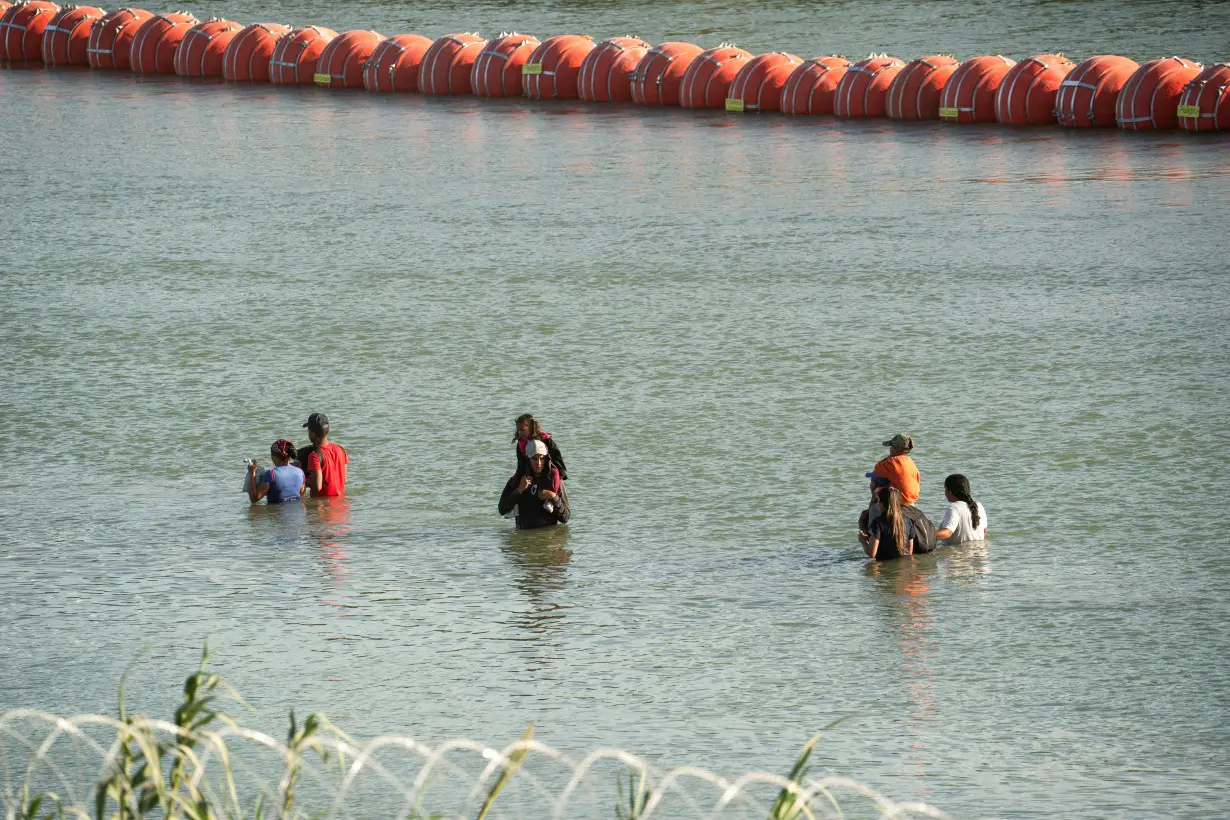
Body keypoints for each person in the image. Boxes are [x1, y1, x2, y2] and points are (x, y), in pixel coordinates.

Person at [499, 439, 570, 529]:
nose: (539, 463)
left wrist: (553, 497)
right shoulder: (518, 480)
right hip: (524, 538)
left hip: (548, 539)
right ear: (528, 460)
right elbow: (502, 509)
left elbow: (566, 517)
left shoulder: (554, 481)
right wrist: (519, 490)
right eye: (534, 458)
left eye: (542, 458)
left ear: (546, 459)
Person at [298, 412, 348, 498]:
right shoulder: (340, 449)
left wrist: (303, 479)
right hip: (341, 505)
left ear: (312, 433)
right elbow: (344, 479)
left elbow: (317, 487)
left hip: (324, 507)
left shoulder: (314, 455)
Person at [246, 439, 306, 504]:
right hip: (298, 512)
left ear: (275, 457)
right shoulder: (300, 472)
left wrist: (252, 474)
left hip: (277, 513)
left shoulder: (271, 473)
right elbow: (301, 494)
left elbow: (254, 498)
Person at [864, 486, 915, 561]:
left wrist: (862, 540)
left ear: (881, 504)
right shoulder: (908, 521)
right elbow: (910, 551)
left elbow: (872, 553)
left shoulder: (878, 523)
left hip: (884, 567)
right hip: (904, 568)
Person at [935, 473, 988, 544]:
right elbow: (984, 531)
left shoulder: (954, 507)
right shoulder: (979, 505)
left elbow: (947, 533)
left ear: (949, 492)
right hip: (980, 553)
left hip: (959, 553)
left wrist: (924, 535)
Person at [513, 413, 567, 480]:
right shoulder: (521, 444)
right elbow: (521, 463)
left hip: (548, 473)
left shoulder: (545, 440)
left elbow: (556, 456)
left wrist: (561, 473)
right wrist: (518, 476)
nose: (519, 432)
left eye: (522, 430)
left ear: (531, 428)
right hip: (531, 474)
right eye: (518, 430)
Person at [873, 433, 920, 505]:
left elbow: (877, 470)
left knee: (874, 480)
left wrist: (889, 457)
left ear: (896, 449)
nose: (890, 449)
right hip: (911, 501)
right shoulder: (910, 462)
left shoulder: (890, 462)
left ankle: (875, 506)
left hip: (899, 500)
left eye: (891, 447)